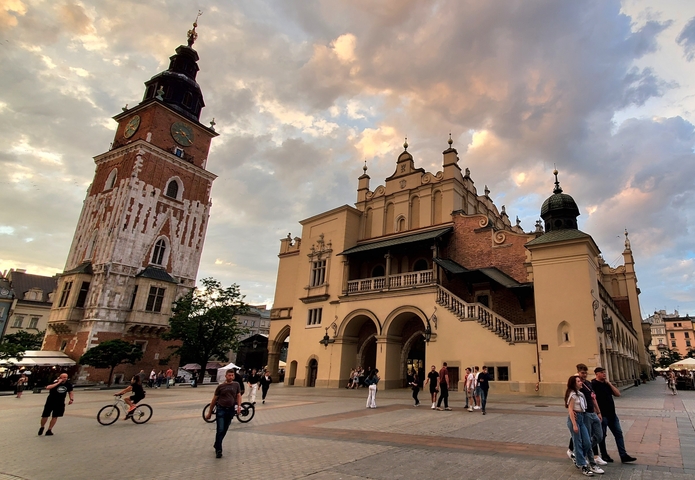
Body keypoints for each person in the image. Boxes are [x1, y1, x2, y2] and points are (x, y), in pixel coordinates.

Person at [591, 367, 637, 464]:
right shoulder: (593, 384)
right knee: (602, 436)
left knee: (618, 433)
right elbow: (592, 400)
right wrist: (597, 412)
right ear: (597, 374)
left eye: (605, 372)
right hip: (602, 415)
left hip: (612, 414)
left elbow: (618, 394)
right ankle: (604, 454)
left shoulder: (607, 384)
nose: (604, 374)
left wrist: (609, 384)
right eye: (602, 373)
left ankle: (623, 455)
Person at [567, 364, 604, 472]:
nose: (584, 376)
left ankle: (583, 457)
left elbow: (592, 398)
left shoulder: (585, 387)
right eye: (582, 373)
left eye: (586, 373)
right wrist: (574, 422)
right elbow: (569, 407)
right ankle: (584, 463)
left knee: (591, 438)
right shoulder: (573, 393)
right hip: (581, 417)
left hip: (586, 415)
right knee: (580, 441)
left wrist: (598, 411)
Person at [206, 369, 242, 458]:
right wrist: (210, 412)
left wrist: (239, 406)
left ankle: (217, 443)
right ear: (226, 376)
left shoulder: (236, 385)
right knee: (220, 429)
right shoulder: (221, 387)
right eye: (229, 375)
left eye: (232, 375)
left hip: (230, 410)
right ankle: (219, 450)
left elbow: (238, 395)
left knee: (225, 429)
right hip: (221, 409)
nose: (231, 377)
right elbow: (214, 399)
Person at [565, 375, 595, 477]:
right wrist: (574, 425)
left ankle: (578, 458)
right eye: (578, 381)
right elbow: (570, 409)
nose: (581, 382)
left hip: (581, 418)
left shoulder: (580, 394)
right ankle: (583, 465)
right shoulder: (572, 395)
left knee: (587, 442)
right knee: (577, 442)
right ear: (574, 384)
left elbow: (583, 407)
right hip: (575, 419)